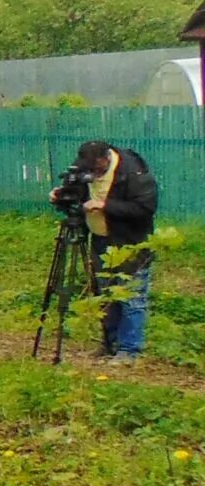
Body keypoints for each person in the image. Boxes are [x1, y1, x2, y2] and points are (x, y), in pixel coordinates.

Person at [59, 138, 158, 359]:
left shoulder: (134, 173)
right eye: (89, 170)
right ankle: (109, 343)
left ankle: (129, 350)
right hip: (101, 241)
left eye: (95, 169)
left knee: (131, 297)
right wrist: (62, 196)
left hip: (130, 242)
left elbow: (145, 208)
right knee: (105, 294)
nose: (92, 174)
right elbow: (77, 193)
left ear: (105, 159)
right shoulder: (89, 171)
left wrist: (104, 205)